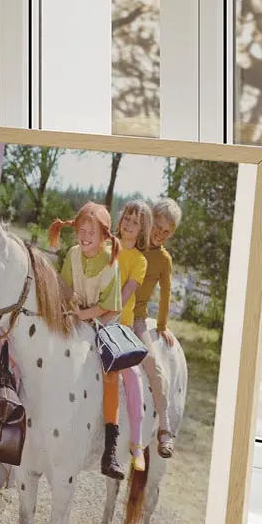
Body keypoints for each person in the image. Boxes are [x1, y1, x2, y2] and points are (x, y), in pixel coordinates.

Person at [48, 203, 126, 480]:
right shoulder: (72, 254)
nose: (85, 236)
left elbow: (106, 306)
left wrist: (82, 315)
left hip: (104, 318)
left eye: (91, 232)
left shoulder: (110, 261)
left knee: (111, 372)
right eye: (81, 230)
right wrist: (71, 311)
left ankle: (111, 447)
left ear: (104, 236)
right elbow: (66, 289)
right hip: (78, 312)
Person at [129, 198, 181, 457]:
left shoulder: (164, 260)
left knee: (154, 366)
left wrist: (161, 326)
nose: (160, 234)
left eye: (166, 232)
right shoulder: (133, 243)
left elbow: (165, 295)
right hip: (112, 312)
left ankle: (164, 425)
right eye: (158, 227)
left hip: (136, 319)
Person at [115, 200, 153, 472]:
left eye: (135, 222)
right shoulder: (106, 247)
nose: (128, 224)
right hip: (91, 317)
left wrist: (104, 312)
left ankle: (137, 443)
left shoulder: (139, 261)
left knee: (133, 375)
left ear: (142, 230)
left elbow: (125, 295)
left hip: (119, 326)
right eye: (126, 218)